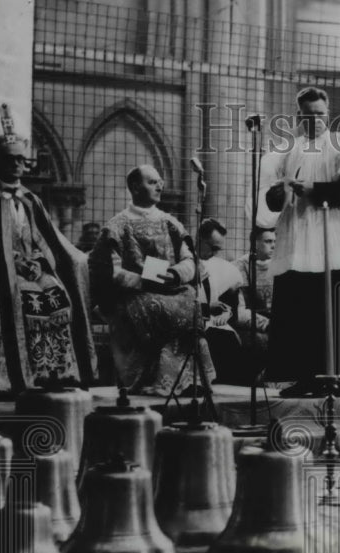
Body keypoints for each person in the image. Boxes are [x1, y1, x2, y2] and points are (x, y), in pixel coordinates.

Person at [0, 103, 96, 395]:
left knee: (57, 296)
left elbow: (48, 241)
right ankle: (13, 377)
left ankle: (53, 372)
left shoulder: (29, 199)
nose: (18, 165)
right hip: (2, 269)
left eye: (21, 160)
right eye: (11, 160)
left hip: (31, 267)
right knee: (22, 298)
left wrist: (44, 262)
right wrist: (15, 264)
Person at [254, 86, 340, 396]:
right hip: (299, 243)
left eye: (320, 115)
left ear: (328, 114)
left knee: (335, 312)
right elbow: (272, 202)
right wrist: (282, 190)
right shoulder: (288, 150)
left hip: (333, 241)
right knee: (300, 311)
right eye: (309, 116)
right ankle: (304, 378)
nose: (315, 121)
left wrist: (311, 188)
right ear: (299, 116)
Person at [89, 164, 215, 396]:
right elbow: (111, 272)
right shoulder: (116, 226)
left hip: (171, 287)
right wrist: (144, 281)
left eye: (160, 181)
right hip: (135, 293)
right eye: (152, 182)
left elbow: (190, 260)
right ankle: (152, 381)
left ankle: (188, 381)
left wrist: (175, 274)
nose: (160, 185)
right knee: (152, 306)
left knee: (191, 301)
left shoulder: (171, 223)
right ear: (135, 187)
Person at [197, 218, 254, 385]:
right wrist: (207, 308)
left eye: (218, 249)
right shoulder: (182, 259)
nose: (214, 254)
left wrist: (225, 311)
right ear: (199, 239)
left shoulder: (209, 266)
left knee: (227, 337)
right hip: (188, 318)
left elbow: (230, 305)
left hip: (207, 318)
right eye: (212, 248)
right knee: (218, 338)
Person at [232, 227, 275, 377]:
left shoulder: (281, 265)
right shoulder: (240, 267)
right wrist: (268, 325)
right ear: (255, 243)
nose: (273, 246)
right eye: (268, 241)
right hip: (255, 323)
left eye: (275, 241)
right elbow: (238, 310)